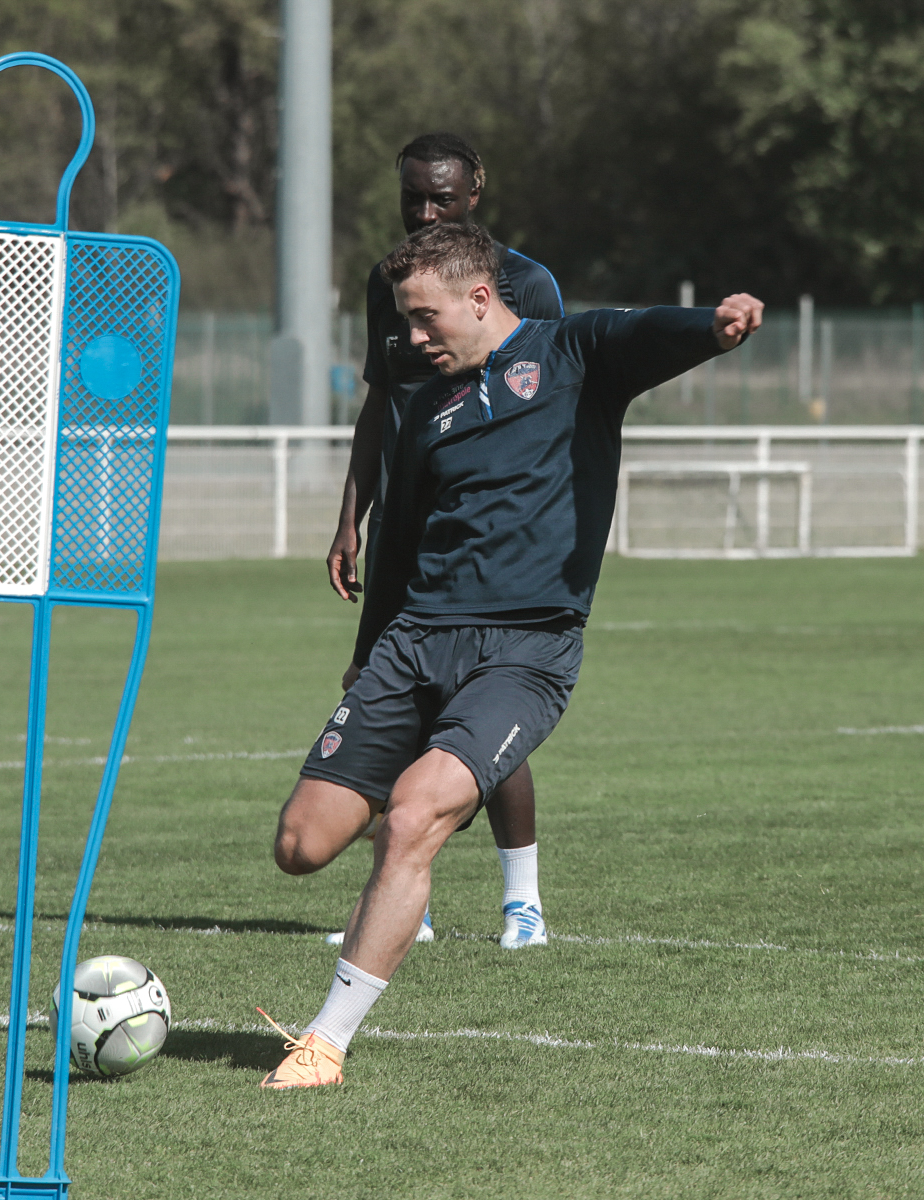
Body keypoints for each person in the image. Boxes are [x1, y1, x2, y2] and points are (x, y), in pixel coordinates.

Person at [261, 221, 763, 1088]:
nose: (410, 339)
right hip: (414, 641)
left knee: (413, 818)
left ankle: (325, 1042)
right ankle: (417, 830)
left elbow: (643, 329)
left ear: (481, 299)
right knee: (301, 846)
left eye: (424, 319)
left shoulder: (573, 352)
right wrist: (366, 653)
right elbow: (401, 540)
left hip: (525, 652)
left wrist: (711, 328)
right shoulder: (424, 400)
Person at [325, 133, 564, 950]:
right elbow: (377, 405)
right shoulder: (388, 282)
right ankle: (408, 902)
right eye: (413, 200)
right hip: (401, 526)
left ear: (475, 194)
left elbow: (547, 401)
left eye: (442, 199)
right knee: (387, 693)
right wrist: (352, 516)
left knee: (483, 706)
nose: (425, 213)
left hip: (485, 535)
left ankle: (522, 902)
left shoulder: (529, 285)